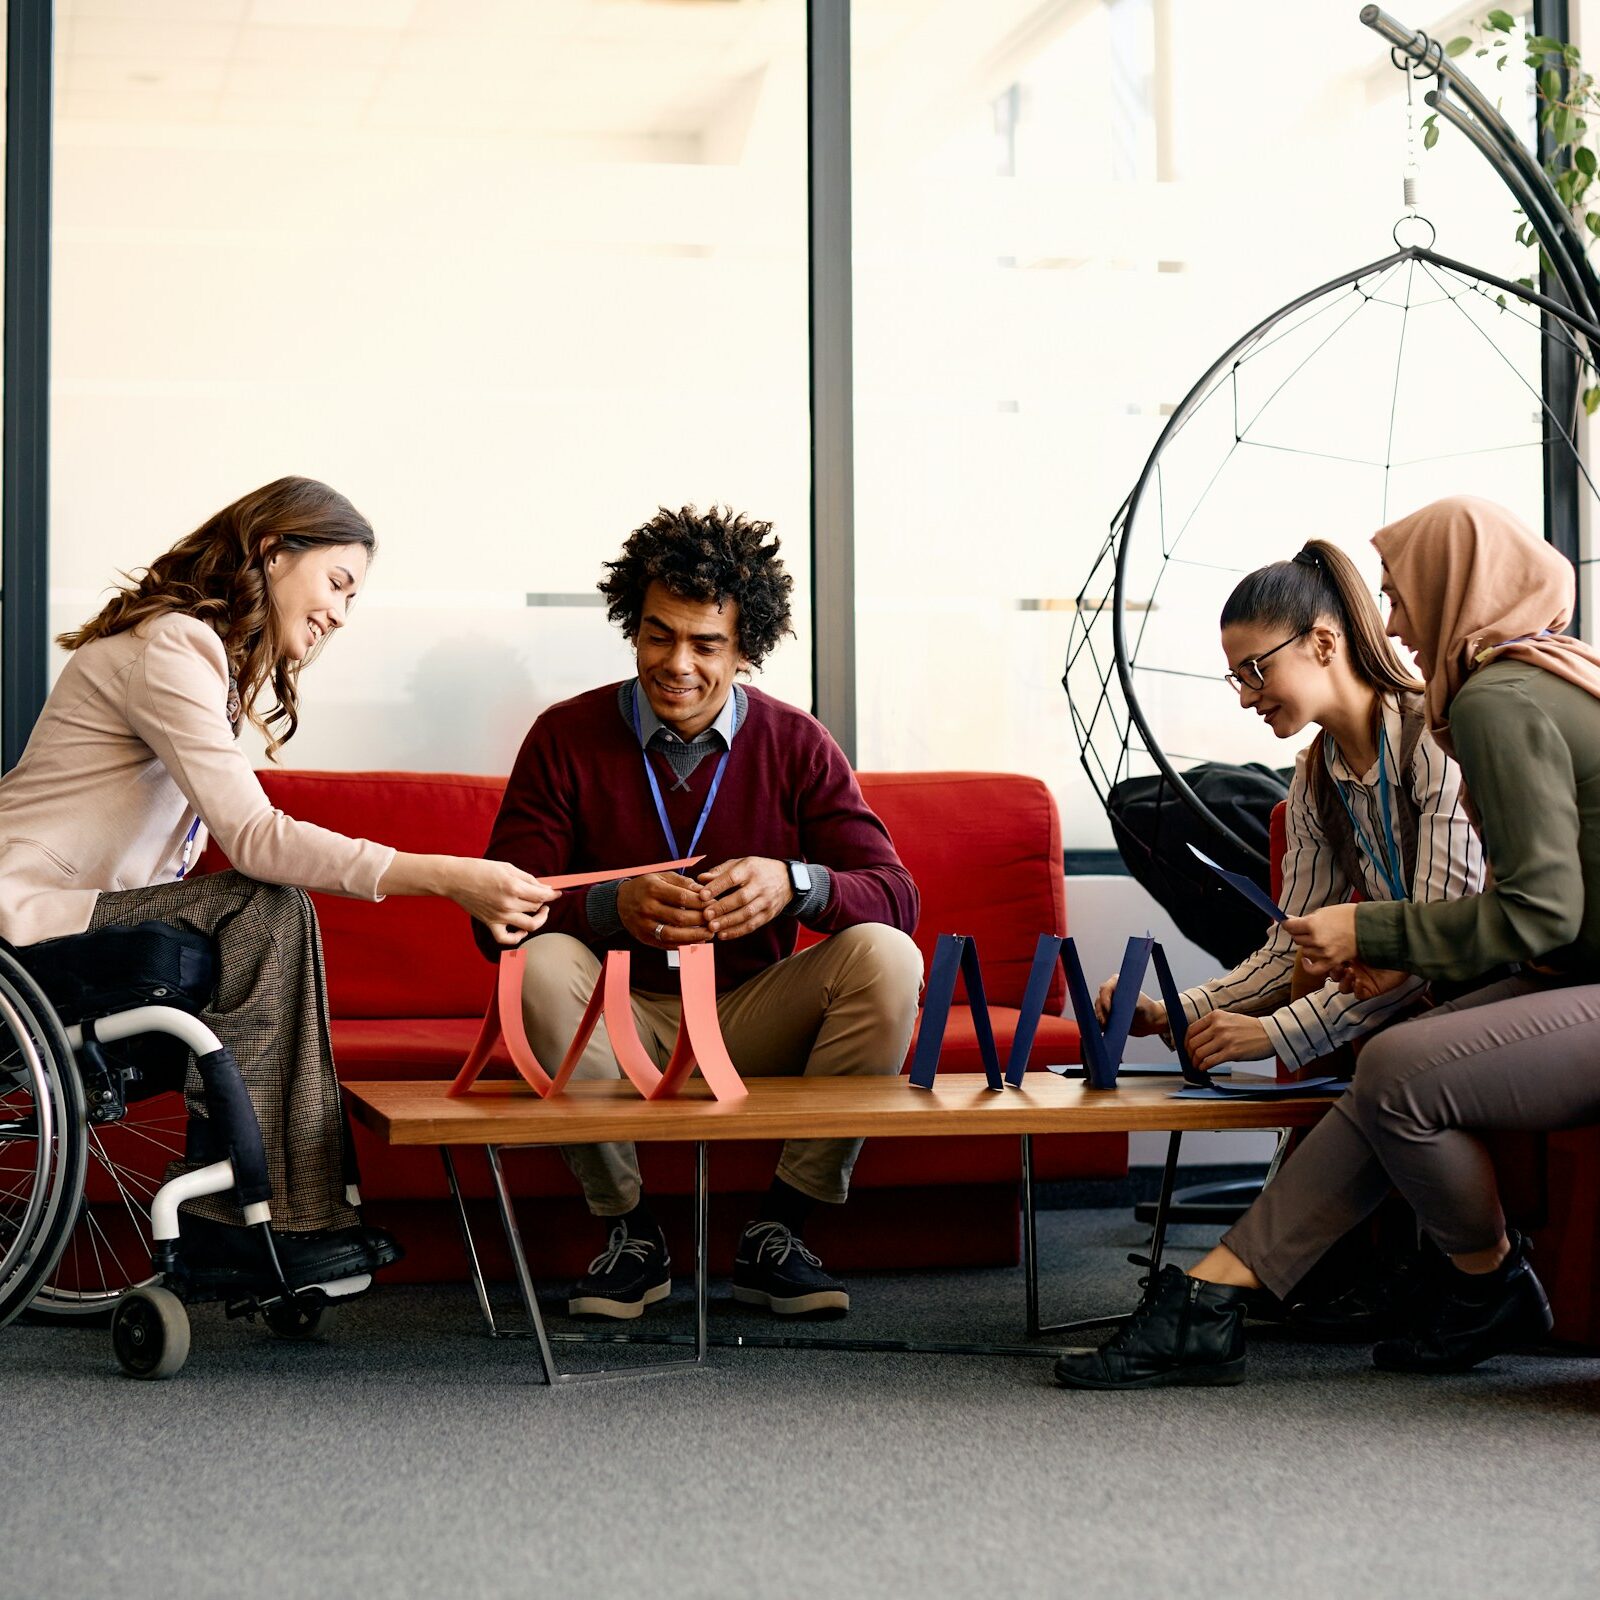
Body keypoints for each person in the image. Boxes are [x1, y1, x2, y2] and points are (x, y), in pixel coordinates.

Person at [1056, 496, 1598, 1391]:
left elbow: (1499, 921)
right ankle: (1210, 1295)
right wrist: (1182, 1011)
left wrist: (1283, 1025)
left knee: (1391, 1064)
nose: (1391, 619)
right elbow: (1294, 942)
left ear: (1320, 642)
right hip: (1538, 975)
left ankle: (1481, 1278)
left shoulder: (1456, 725)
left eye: (1254, 667)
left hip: (1519, 974)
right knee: (1384, 1070)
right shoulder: (1319, 777)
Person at [0, 476, 557, 1289]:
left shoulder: (200, 665)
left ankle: (277, 1218)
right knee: (264, 905)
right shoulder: (172, 646)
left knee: (265, 914)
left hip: (82, 924)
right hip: (24, 928)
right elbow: (257, 838)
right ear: (271, 549)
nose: (339, 615)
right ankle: (252, 1220)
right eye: (337, 583)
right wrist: (442, 877)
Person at [476, 503, 923, 1321]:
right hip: (617, 1015)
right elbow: (492, 922)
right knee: (534, 964)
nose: (677, 664)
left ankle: (778, 1233)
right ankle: (631, 1237)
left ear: (746, 649)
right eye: (657, 635)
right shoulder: (564, 736)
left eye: (706, 643)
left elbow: (897, 896)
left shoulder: (797, 743)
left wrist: (797, 884)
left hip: (753, 1013)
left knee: (890, 957)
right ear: (633, 629)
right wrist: (613, 907)